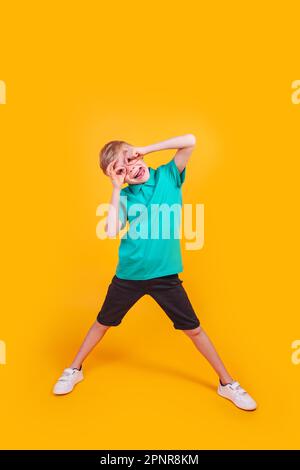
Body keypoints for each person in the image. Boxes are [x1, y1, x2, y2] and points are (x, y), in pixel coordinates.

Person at [53, 134, 257, 411]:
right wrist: (115, 188)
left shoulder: (168, 176)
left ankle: (227, 383)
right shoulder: (125, 196)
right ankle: (74, 369)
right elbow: (111, 230)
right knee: (103, 323)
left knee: (194, 330)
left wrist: (142, 149)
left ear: (138, 155)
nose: (130, 169)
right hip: (129, 276)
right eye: (121, 171)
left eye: (129, 159)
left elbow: (190, 140)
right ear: (119, 179)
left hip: (165, 277)